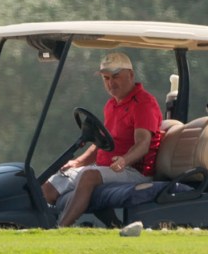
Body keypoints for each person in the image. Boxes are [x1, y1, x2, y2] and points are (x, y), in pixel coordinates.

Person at [41, 51, 163, 227]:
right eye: (106, 78)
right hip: (107, 168)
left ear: (131, 75)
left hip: (134, 171)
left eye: (115, 77)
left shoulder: (143, 103)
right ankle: (37, 226)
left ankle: (61, 229)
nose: (111, 83)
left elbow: (143, 143)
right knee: (51, 184)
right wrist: (78, 162)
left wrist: (124, 160)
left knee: (89, 176)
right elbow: (101, 143)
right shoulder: (111, 105)